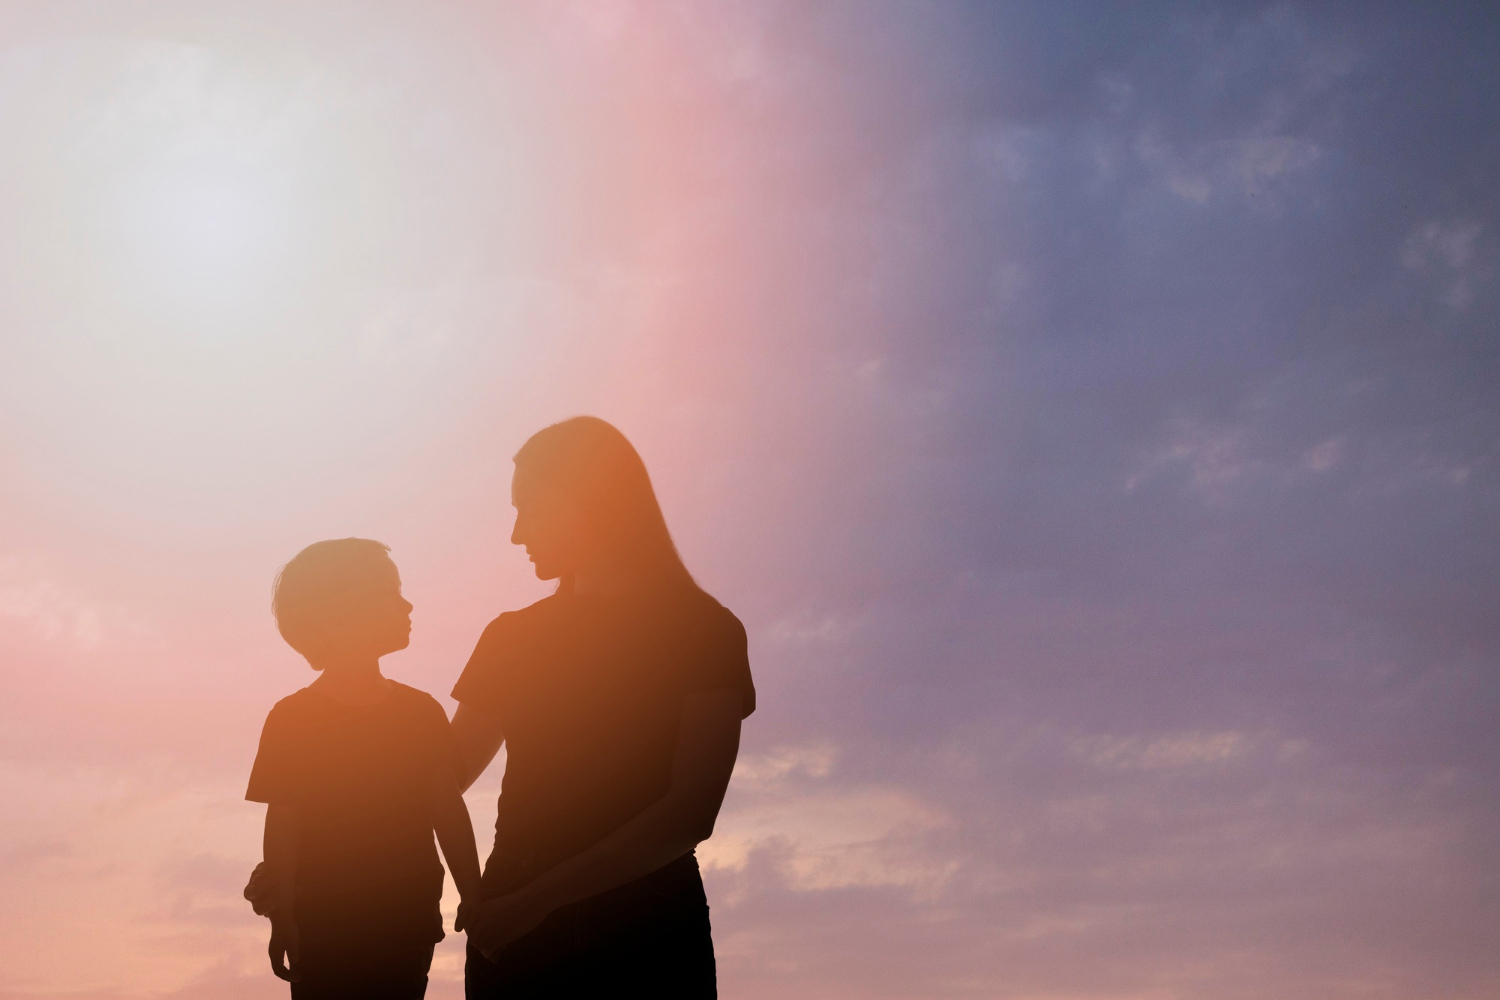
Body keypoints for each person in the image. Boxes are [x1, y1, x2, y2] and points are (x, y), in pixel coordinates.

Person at [452, 416, 755, 997]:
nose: (516, 534)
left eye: (528, 508)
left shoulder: (705, 632)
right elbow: (437, 777)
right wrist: (297, 865)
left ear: (583, 502)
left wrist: (534, 901)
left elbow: (689, 813)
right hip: (520, 921)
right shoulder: (511, 638)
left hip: (638, 929)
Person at [245, 538, 483, 1000]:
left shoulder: (421, 713)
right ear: (340, 614)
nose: (408, 604)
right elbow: (283, 829)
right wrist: (283, 917)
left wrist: (475, 894)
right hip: (324, 926)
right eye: (391, 593)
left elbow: (447, 812)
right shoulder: (292, 719)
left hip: (405, 920)